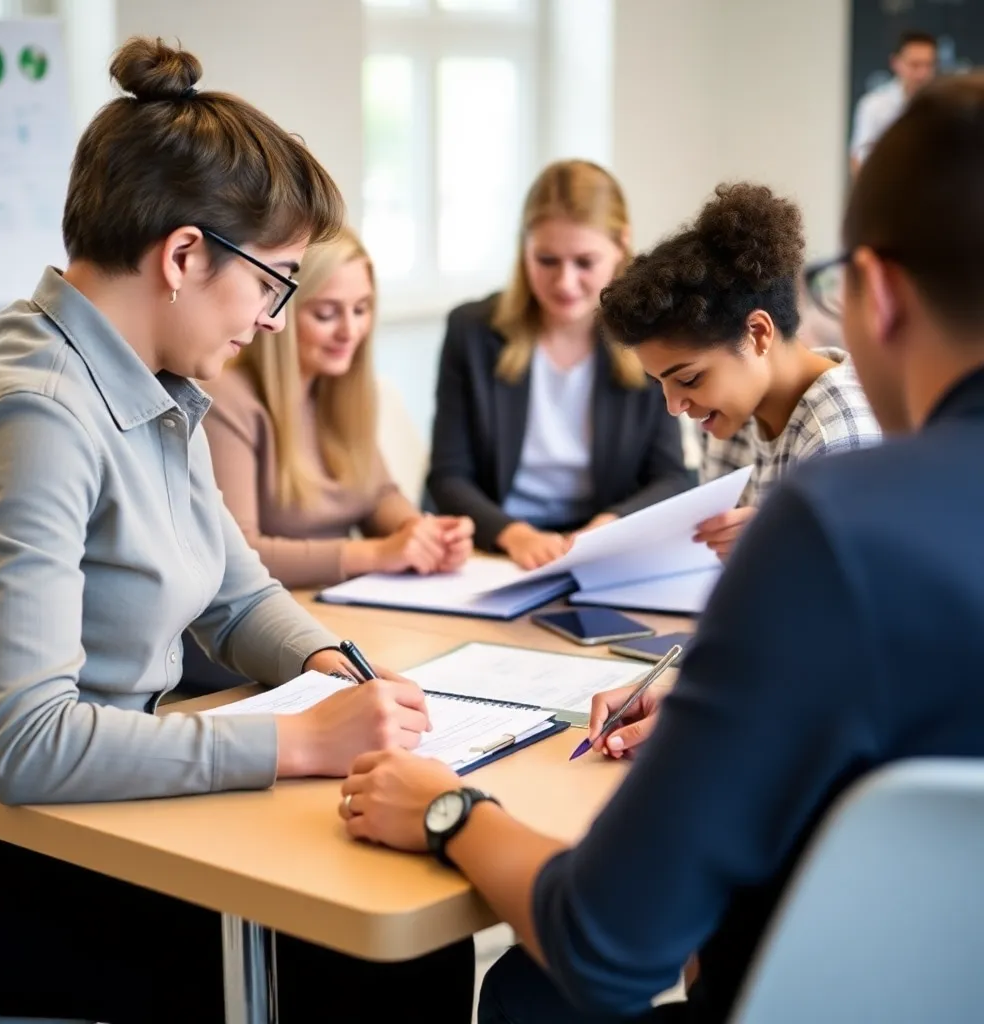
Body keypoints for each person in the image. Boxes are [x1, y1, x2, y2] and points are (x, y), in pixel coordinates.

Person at [335, 70, 984, 1022]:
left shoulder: (836, 523)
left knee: (530, 992)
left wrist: (450, 810)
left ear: (875, 292)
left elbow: (608, 944)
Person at [0, 38, 472, 1023]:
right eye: (275, 281)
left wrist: (335, 668)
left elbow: (237, 594)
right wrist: (296, 747)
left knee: (409, 927)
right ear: (185, 254)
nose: (278, 318)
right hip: (22, 851)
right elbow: (23, 745)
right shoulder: (37, 411)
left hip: (118, 806)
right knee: (372, 960)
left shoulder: (158, 378)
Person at [427, 159, 691, 571]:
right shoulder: (472, 331)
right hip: (495, 550)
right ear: (524, 248)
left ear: (622, 245)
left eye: (584, 262)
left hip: (597, 552)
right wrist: (515, 535)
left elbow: (672, 477)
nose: (565, 283)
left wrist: (611, 526)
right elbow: (448, 476)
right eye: (546, 260)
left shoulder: (651, 339)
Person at [599, 182, 881, 560]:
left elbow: (859, 598)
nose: (674, 406)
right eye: (660, 382)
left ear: (758, 333)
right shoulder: (729, 413)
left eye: (688, 379)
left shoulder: (840, 437)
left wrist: (783, 548)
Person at [204, 226, 473, 587]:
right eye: (327, 314)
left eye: (361, 309)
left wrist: (420, 533)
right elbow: (238, 555)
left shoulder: (341, 389)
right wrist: (377, 554)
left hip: (343, 603)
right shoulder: (228, 399)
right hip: (273, 613)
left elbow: (377, 496)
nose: (350, 331)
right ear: (279, 309)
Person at [850, 29, 937, 173]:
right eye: (915, 65)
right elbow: (859, 158)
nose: (922, 73)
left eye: (928, 65)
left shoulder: (943, 106)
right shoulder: (874, 105)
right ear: (895, 63)